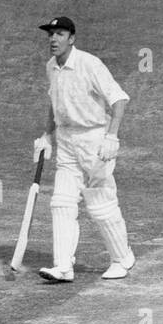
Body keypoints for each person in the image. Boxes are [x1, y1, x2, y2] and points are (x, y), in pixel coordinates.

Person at [31, 15, 135, 282]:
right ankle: (63, 266)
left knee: (100, 203)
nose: (53, 39)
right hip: (66, 141)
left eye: (60, 34)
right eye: (50, 35)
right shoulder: (51, 67)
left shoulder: (89, 64)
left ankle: (122, 258)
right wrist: (47, 135)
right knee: (61, 203)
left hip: (94, 140)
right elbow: (54, 103)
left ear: (72, 38)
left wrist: (112, 136)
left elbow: (119, 98)